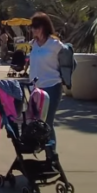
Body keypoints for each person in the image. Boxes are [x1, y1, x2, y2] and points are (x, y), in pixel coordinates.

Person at [27, 13, 64, 143]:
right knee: (35, 121)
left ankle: (52, 155)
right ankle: (40, 149)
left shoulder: (55, 44)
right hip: (35, 88)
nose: (34, 29)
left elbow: (67, 63)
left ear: (45, 26)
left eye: (38, 26)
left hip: (52, 86)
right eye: (33, 26)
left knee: (47, 122)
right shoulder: (33, 45)